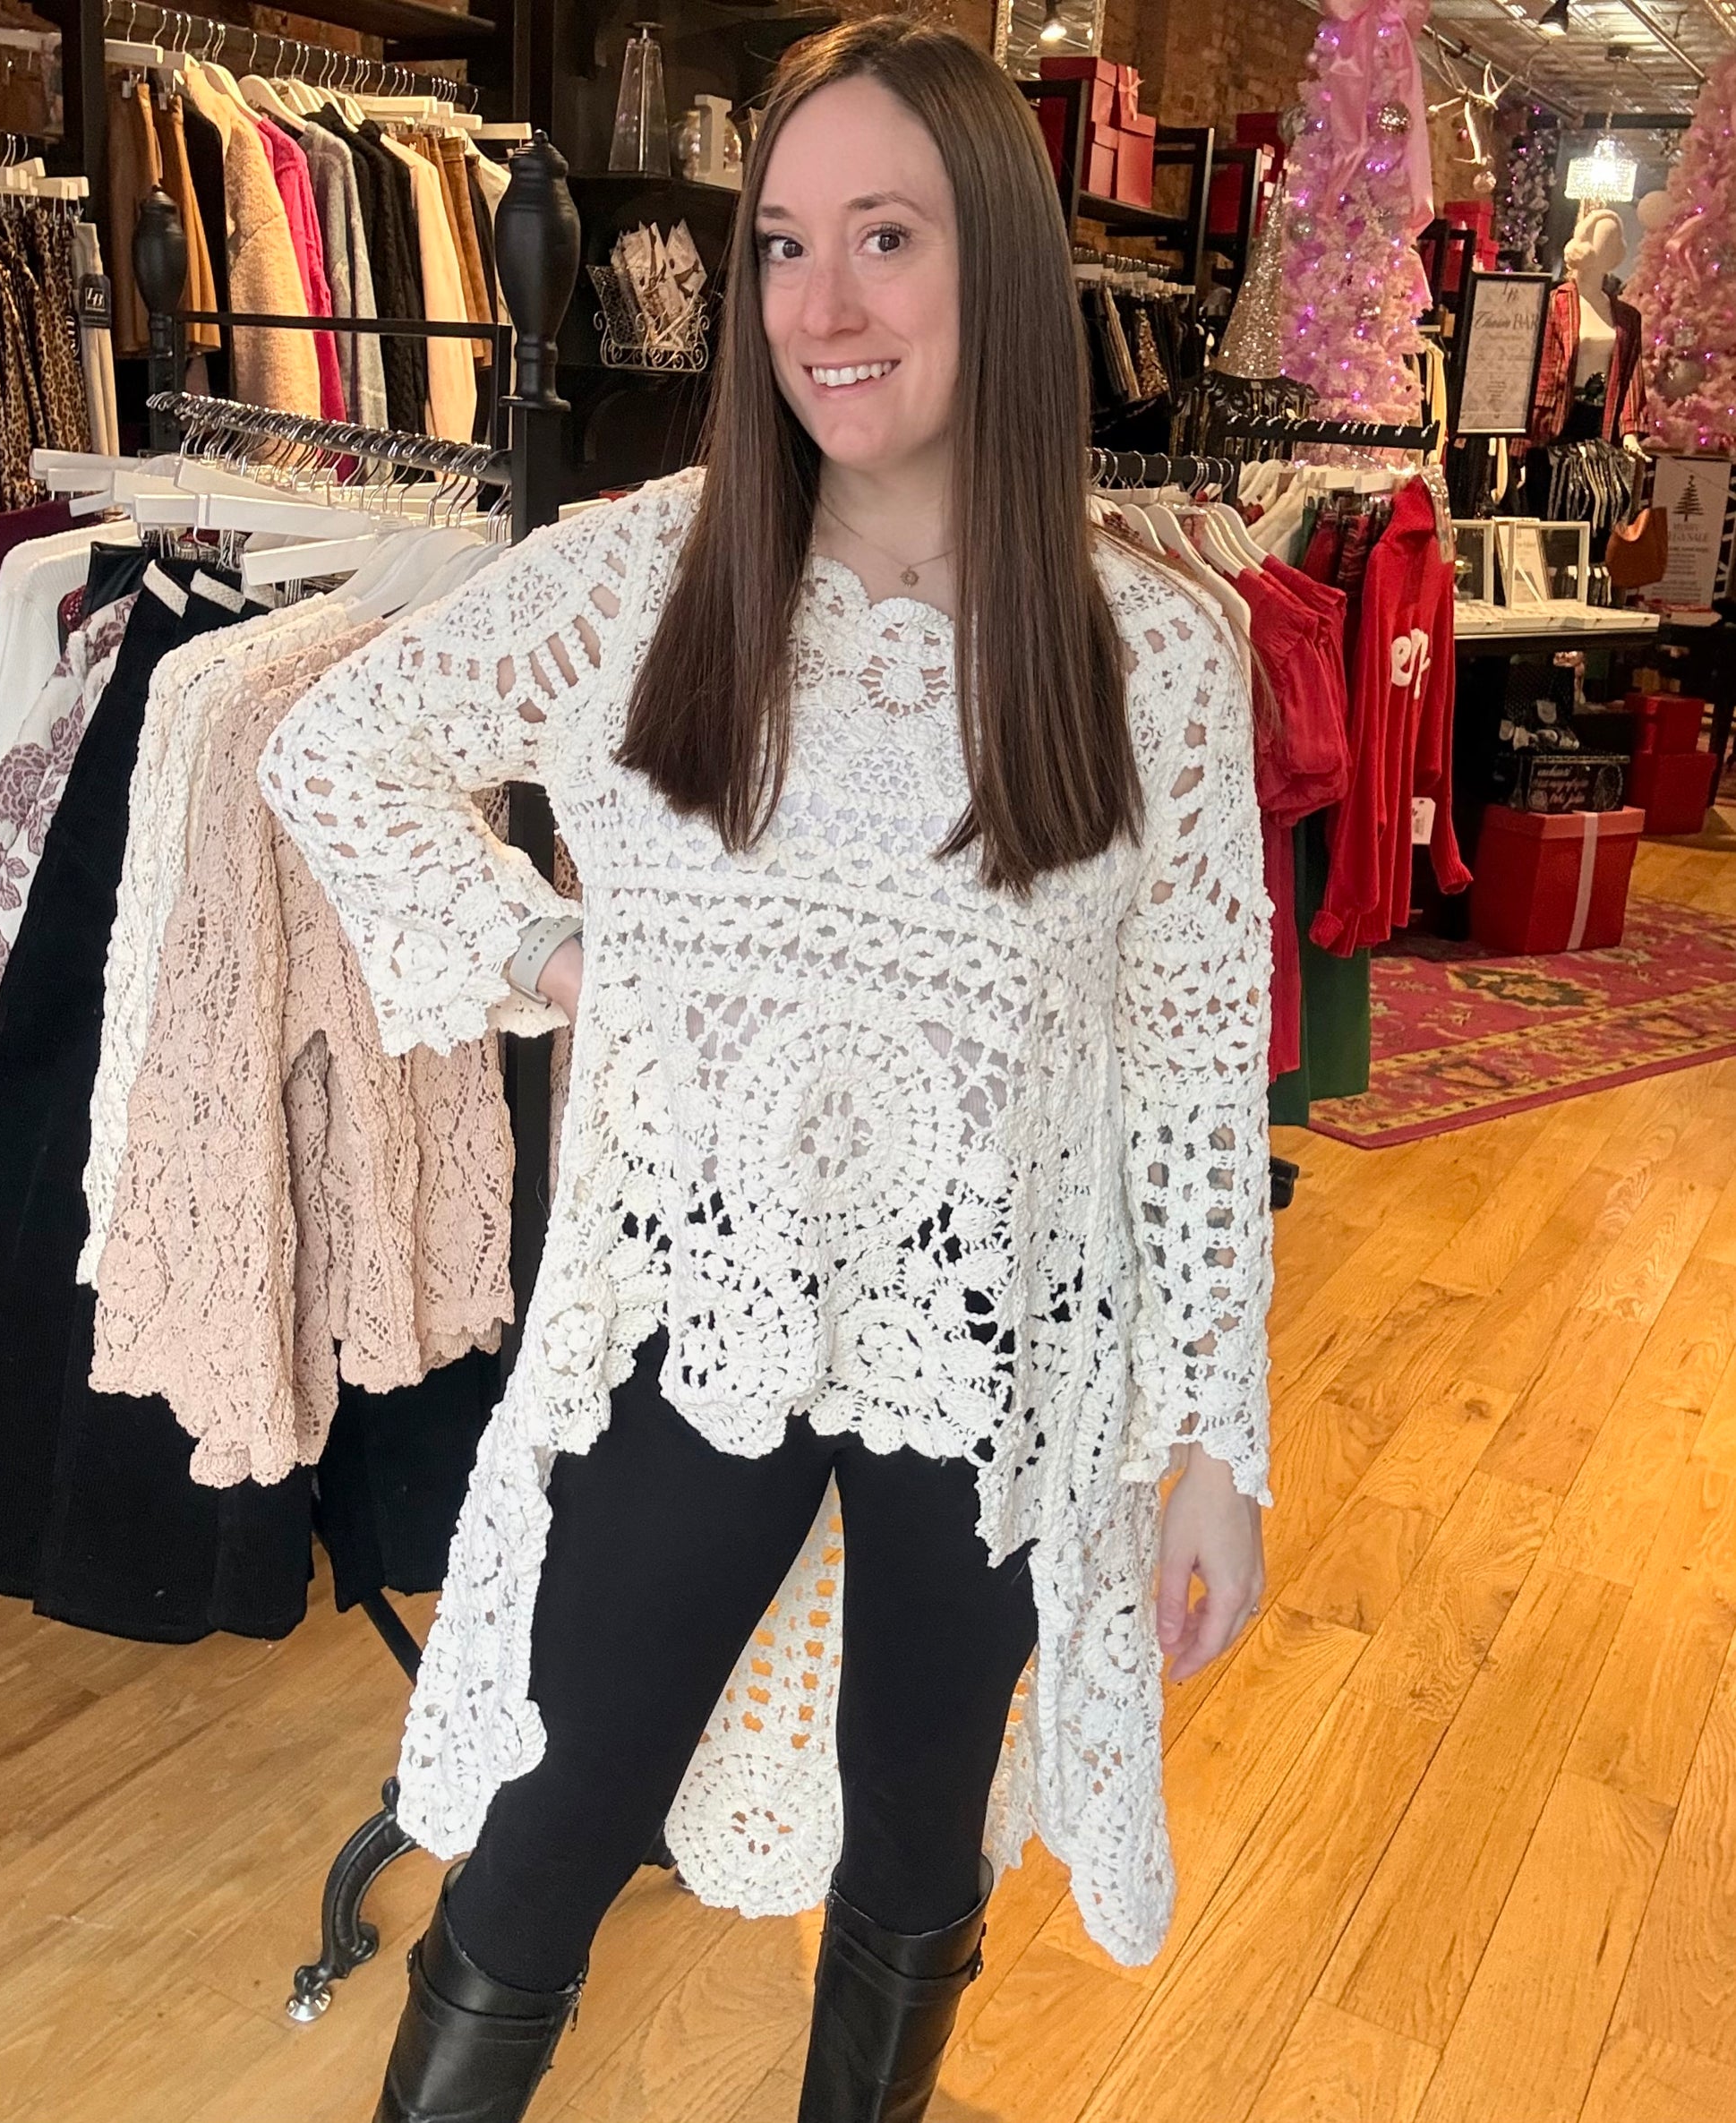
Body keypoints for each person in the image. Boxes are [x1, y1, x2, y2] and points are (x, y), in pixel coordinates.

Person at [261, 17, 1274, 2122]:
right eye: (784, 247)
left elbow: (1188, 1063)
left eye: (883, 238)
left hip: (996, 1372)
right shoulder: (648, 577)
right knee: (543, 1842)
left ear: (994, 265)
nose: (820, 306)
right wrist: (538, 948)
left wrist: (1213, 1444)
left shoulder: (1146, 651)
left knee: (918, 1856)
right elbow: (329, 749)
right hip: (685, 1332)